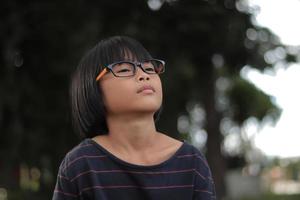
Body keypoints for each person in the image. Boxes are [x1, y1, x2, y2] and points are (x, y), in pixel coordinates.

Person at [52, 36, 216, 200]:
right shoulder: (80, 164)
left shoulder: (191, 162)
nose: (143, 75)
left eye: (150, 69)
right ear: (94, 89)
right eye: (124, 70)